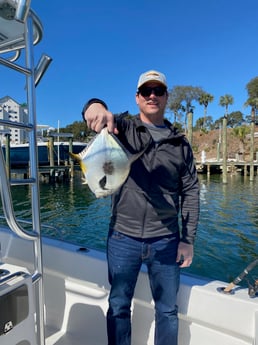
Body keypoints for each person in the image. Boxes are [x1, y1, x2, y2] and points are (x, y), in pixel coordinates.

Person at [82, 70, 200, 345]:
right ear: (137, 98)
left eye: (158, 90)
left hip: (166, 240)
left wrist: (188, 239)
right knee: (119, 306)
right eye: (146, 90)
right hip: (123, 237)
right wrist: (96, 107)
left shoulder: (180, 144)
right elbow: (93, 111)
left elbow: (191, 190)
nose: (152, 95)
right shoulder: (122, 129)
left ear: (166, 97)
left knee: (168, 311)